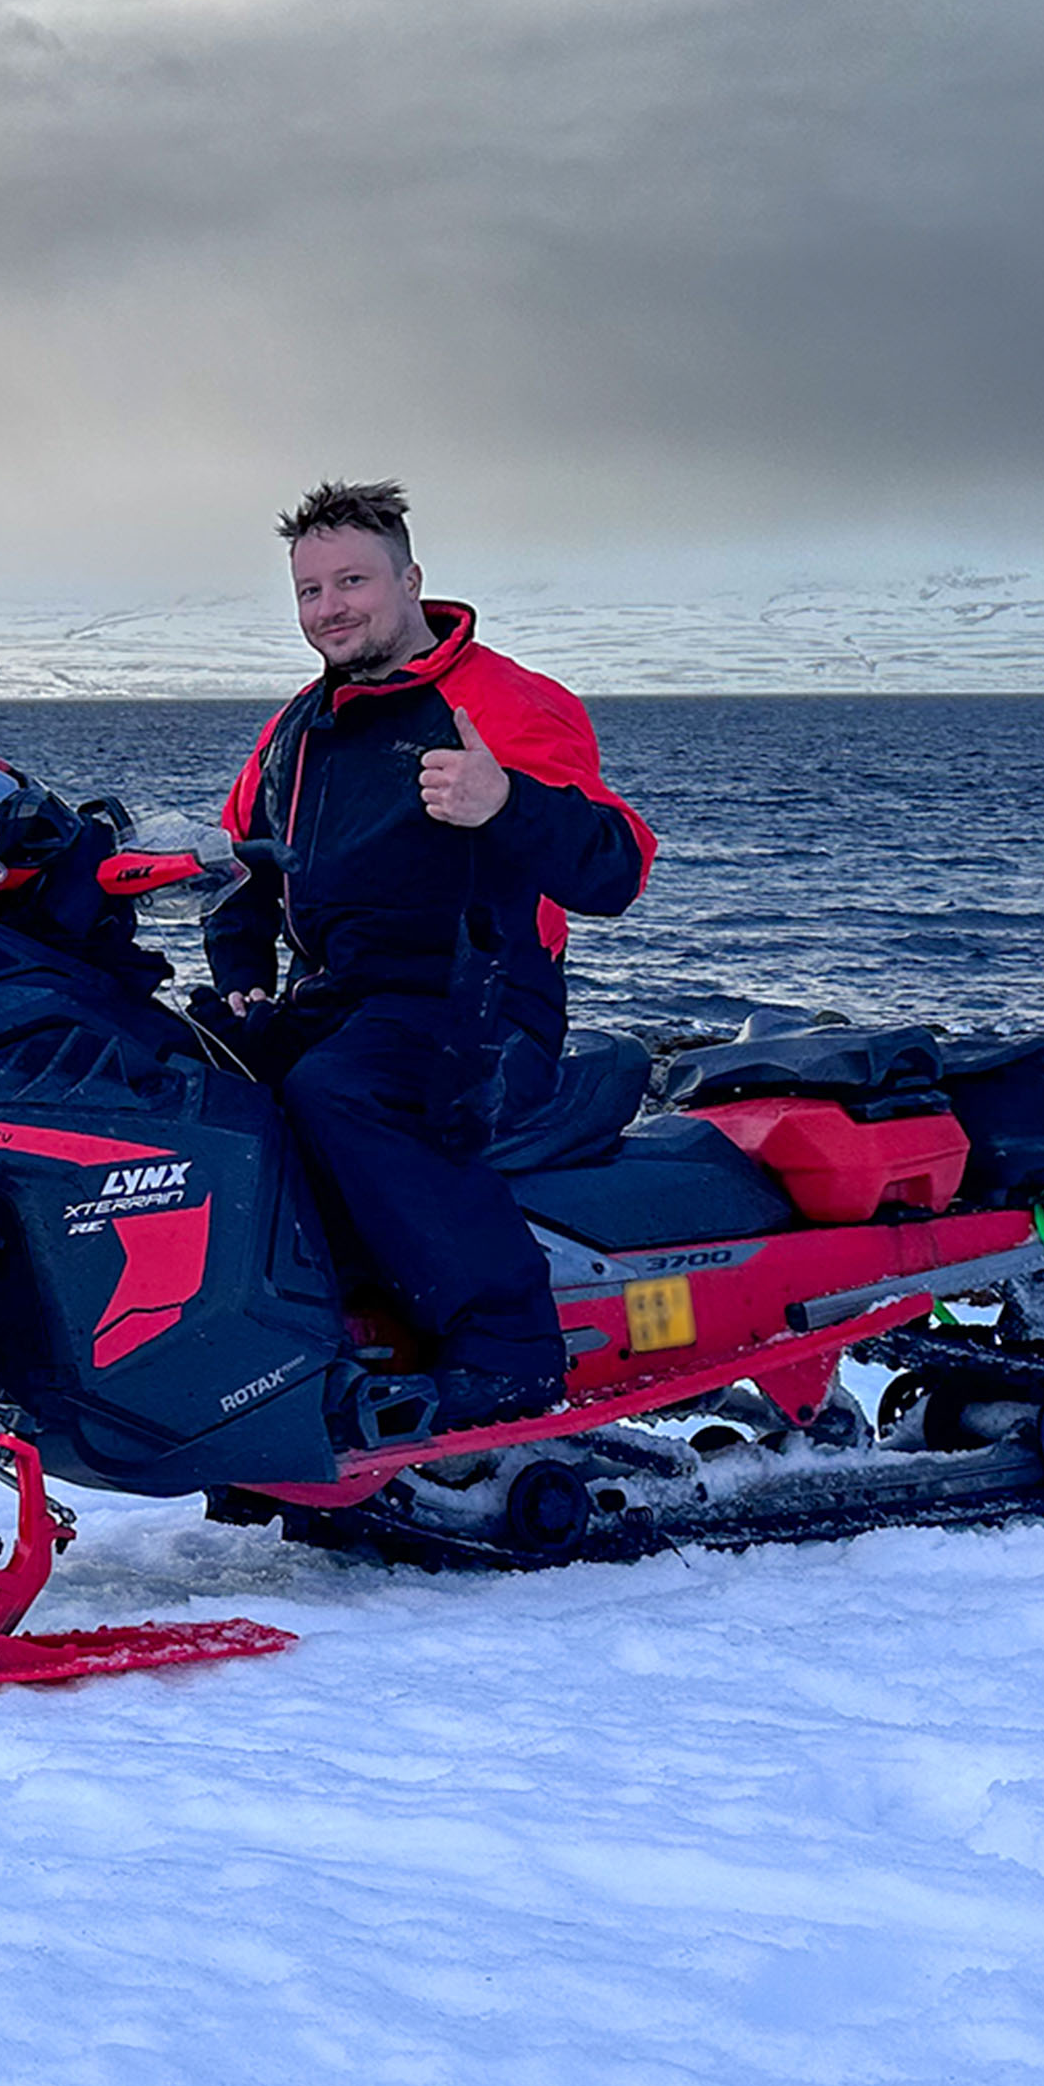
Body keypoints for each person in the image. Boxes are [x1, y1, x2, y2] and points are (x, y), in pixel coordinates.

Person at [202, 481, 653, 1430]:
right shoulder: (297, 729)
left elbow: (614, 868)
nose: (330, 609)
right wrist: (239, 976)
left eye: (353, 580)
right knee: (184, 1078)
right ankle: (280, 1341)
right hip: (343, 999)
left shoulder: (503, 702)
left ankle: (510, 1348)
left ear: (410, 579)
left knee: (341, 1090)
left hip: (479, 1006)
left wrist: (507, 805)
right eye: (310, 591)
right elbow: (243, 866)